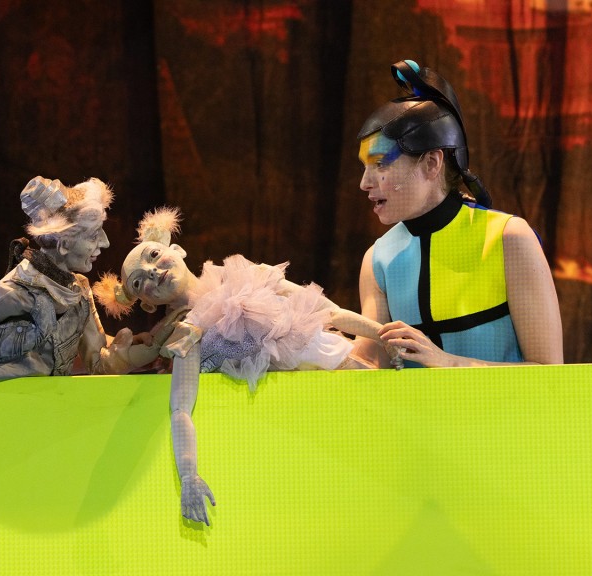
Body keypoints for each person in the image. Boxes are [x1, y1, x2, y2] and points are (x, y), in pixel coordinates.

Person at [93, 207, 400, 525]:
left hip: (349, 372)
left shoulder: (247, 276)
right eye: (139, 282)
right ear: (147, 304)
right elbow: (181, 407)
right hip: (303, 419)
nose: (152, 271)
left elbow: (329, 312)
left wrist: (385, 336)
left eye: (154, 255)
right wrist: (188, 476)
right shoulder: (186, 333)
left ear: (177, 249)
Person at [350, 60, 564, 368]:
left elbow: (549, 373)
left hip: (500, 405)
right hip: (414, 406)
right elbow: (368, 371)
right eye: (364, 167)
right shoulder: (377, 260)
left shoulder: (508, 239)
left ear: (431, 163)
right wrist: (303, 344)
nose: (365, 183)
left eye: (380, 164)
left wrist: (447, 363)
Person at [0, 176, 176, 384]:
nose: (105, 242)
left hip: (52, 410)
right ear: (63, 244)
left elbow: (97, 363)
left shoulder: (79, 291)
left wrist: (136, 354)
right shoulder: (18, 291)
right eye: (94, 235)